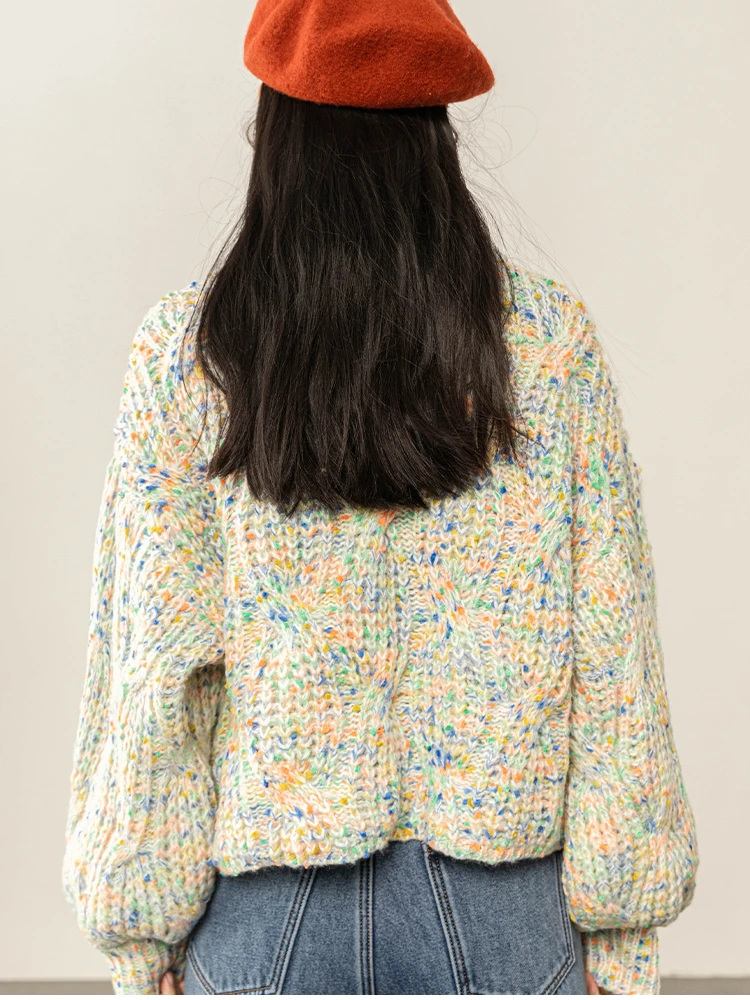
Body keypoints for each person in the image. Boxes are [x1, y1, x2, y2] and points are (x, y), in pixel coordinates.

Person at [62, 0, 698, 994]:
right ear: (436, 140)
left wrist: (141, 943)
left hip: (268, 921)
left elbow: (154, 670)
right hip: (502, 918)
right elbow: (615, 659)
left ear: (275, 137)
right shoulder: (549, 347)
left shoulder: (191, 360)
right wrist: (624, 938)